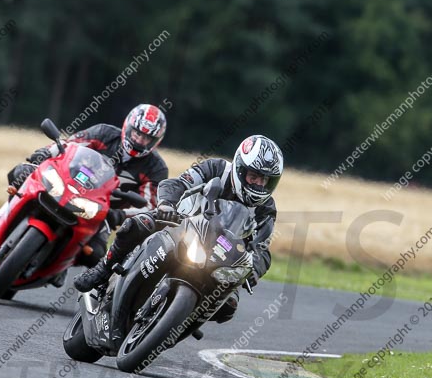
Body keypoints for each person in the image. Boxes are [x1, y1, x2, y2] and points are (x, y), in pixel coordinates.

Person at [74, 134, 283, 323]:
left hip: (218, 255)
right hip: (179, 223)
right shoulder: (217, 169)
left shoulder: (266, 209)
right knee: (136, 225)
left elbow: (262, 249)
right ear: (240, 168)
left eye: (265, 180)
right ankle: (103, 270)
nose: (258, 185)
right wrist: (166, 205)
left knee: (229, 306)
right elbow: (177, 183)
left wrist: (253, 271)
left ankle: (182, 323)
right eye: (253, 176)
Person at [0, 103, 168, 268]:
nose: (139, 140)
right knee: (22, 172)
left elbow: (149, 206)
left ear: (155, 141)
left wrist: (120, 214)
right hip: (66, 185)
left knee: (94, 255)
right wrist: (45, 152)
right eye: (137, 133)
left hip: (101, 213)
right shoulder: (104, 133)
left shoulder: (156, 168)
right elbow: (69, 144)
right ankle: (2, 215)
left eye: (146, 138)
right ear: (128, 126)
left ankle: (61, 267)